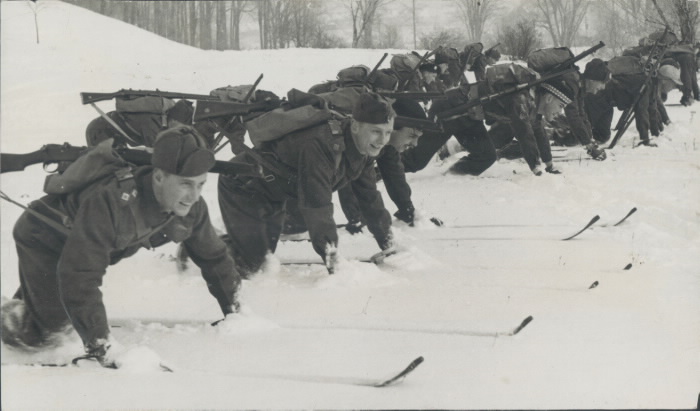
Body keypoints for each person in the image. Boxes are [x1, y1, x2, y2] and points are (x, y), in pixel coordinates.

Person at [1, 127, 242, 367]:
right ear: (158, 177)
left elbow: (214, 256)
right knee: (48, 335)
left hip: (81, 250)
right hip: (44, 239)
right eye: (186, 184)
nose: (193, 196)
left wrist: (237, 310)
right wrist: (103, 346)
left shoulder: (190, 207)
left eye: (201, 185)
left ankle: (37, 302)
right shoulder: (113, 201)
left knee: (53, 304)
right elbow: (80, 275)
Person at [217, 92, 397, 276]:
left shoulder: (364, 150)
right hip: (243, 185)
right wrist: (333, 261)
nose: (382, 140)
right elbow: (317, 204)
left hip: (278, 193)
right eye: (376, 131)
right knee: (253, 265)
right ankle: (203, 247)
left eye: (388, 132)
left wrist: (389, 246)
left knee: (292, 230)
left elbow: (370, 199)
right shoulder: (322, 143)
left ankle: (239, 238)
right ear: (356, 126)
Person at [338, 98, 430, 229]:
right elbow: (353, 182)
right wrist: (358, 220)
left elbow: (395, 176)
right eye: (411, 136)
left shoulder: (388, 146)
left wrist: (408, 211)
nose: (415, 144)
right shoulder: (361, 140)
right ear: (393, 128)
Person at [486, 68, 575, 175]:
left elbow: (539, 133)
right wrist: (535, 166)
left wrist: (549, 164)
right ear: (549, 98)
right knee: (486, 157)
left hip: (483, 118)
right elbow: (525, 132)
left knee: (486, 154)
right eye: (560, 105)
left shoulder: (535, 104)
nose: (560, 112)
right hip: (466, 110)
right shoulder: (522, 100)